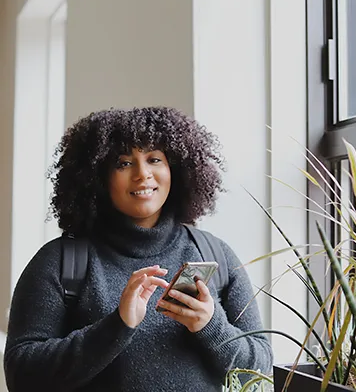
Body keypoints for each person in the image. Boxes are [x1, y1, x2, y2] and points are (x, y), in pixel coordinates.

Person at [4, 107, 273, 391]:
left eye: (154, 159)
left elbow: (262, 368)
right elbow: (21, 375)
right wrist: (116, 326)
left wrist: (210, 327)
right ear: (97, 177)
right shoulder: (60, 262)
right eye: (123, 163)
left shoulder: (214, 253)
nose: (142, 174)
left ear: (176, 169)